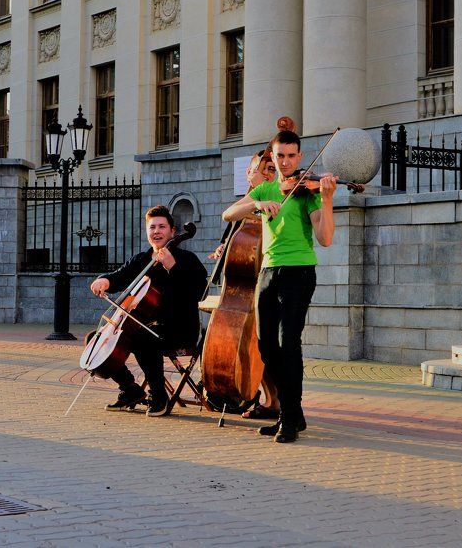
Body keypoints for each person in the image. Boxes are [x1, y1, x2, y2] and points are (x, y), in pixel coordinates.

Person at [221, 129, 343, 443]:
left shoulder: (309, 193)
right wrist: (257, 206)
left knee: (289, 343)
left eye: (291, 156)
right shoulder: (264, 191)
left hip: (299, 272)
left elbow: (325, 238)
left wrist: (327, 199)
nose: (286, 162)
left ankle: (289, 417)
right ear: (272, 158)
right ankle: (294, 411)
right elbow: (228, 213)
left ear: (299, 157)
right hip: (268, 272)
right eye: (280, 156)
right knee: (265, 347)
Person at [89, 205, 208, 416]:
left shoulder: (187, 259)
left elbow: (199, 292)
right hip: (147, 327)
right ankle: (130, 389)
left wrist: (173, 268)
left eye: (162, 226)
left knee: (142, 338)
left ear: (172, 231)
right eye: (152, 227)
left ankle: (159, 396)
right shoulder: (142, 260)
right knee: (95, 340)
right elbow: (120, 276)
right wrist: (104, 280)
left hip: (180, 329)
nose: (157, 231)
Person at [207, 150, 281, 420]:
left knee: (265, 347)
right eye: (264, 169)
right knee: (254, 347)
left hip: (265, 288)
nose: (270, 174)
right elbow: (237, 237)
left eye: (272, 170)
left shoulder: (274, 200)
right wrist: (224, 249)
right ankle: (265, 398)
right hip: (239, 292)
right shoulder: (246, 206)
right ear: (249, 175)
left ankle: (275, 401)